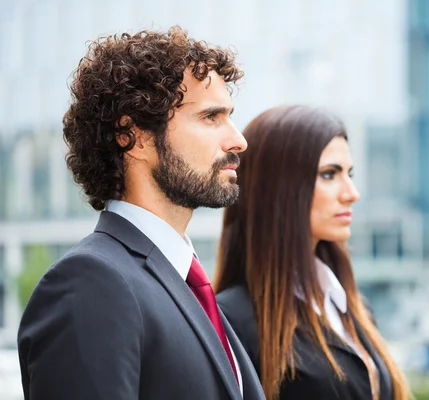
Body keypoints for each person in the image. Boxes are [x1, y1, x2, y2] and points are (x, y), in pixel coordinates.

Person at [17, 26, 265, 400]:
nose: (238, 140)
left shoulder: (184, 281)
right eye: (211, 117)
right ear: (132, 135)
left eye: (229, 116)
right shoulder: (90, 284)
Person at [214, 105, 411, 400]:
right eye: (330, 174)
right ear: (278, 188)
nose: (352, 193)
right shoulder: (231, 320)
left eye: (349, 173)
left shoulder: (352, 306)